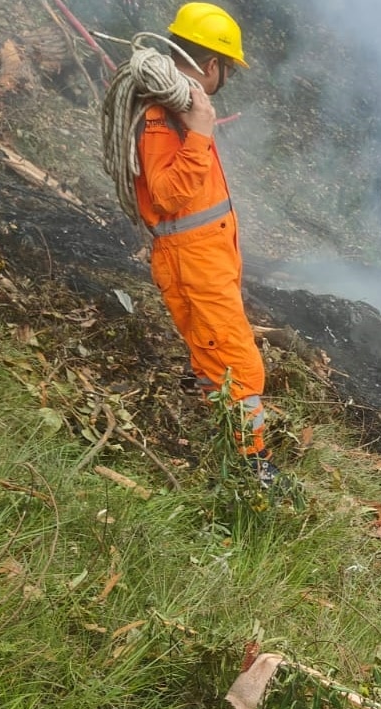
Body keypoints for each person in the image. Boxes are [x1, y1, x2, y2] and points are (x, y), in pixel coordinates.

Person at [131, 3, 278, 486]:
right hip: (192, 263)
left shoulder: (182, 108)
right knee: (241, 365)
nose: (226, 77)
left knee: (215, 353)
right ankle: (253, 470)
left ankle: (213, 424)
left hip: (207, 259)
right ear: (212, 64)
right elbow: (168, 194)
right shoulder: (165, 116)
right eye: (227, 68)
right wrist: (197, 133)